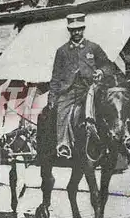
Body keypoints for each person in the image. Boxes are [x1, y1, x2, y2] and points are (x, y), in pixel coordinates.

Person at [47, 13, 114, 159]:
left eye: (79, 29)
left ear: (83, 29)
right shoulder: (62, 51)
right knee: (62, 110)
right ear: (69, 31)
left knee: (112, 104)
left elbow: (108, 65)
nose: (76, 32)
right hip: (70, 91)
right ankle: (63, 144)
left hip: (90, 88)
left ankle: (118, 139)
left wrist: (101, 71)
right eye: (73, 30)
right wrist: (52, 98)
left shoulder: (93, 48)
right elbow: (56, 76)